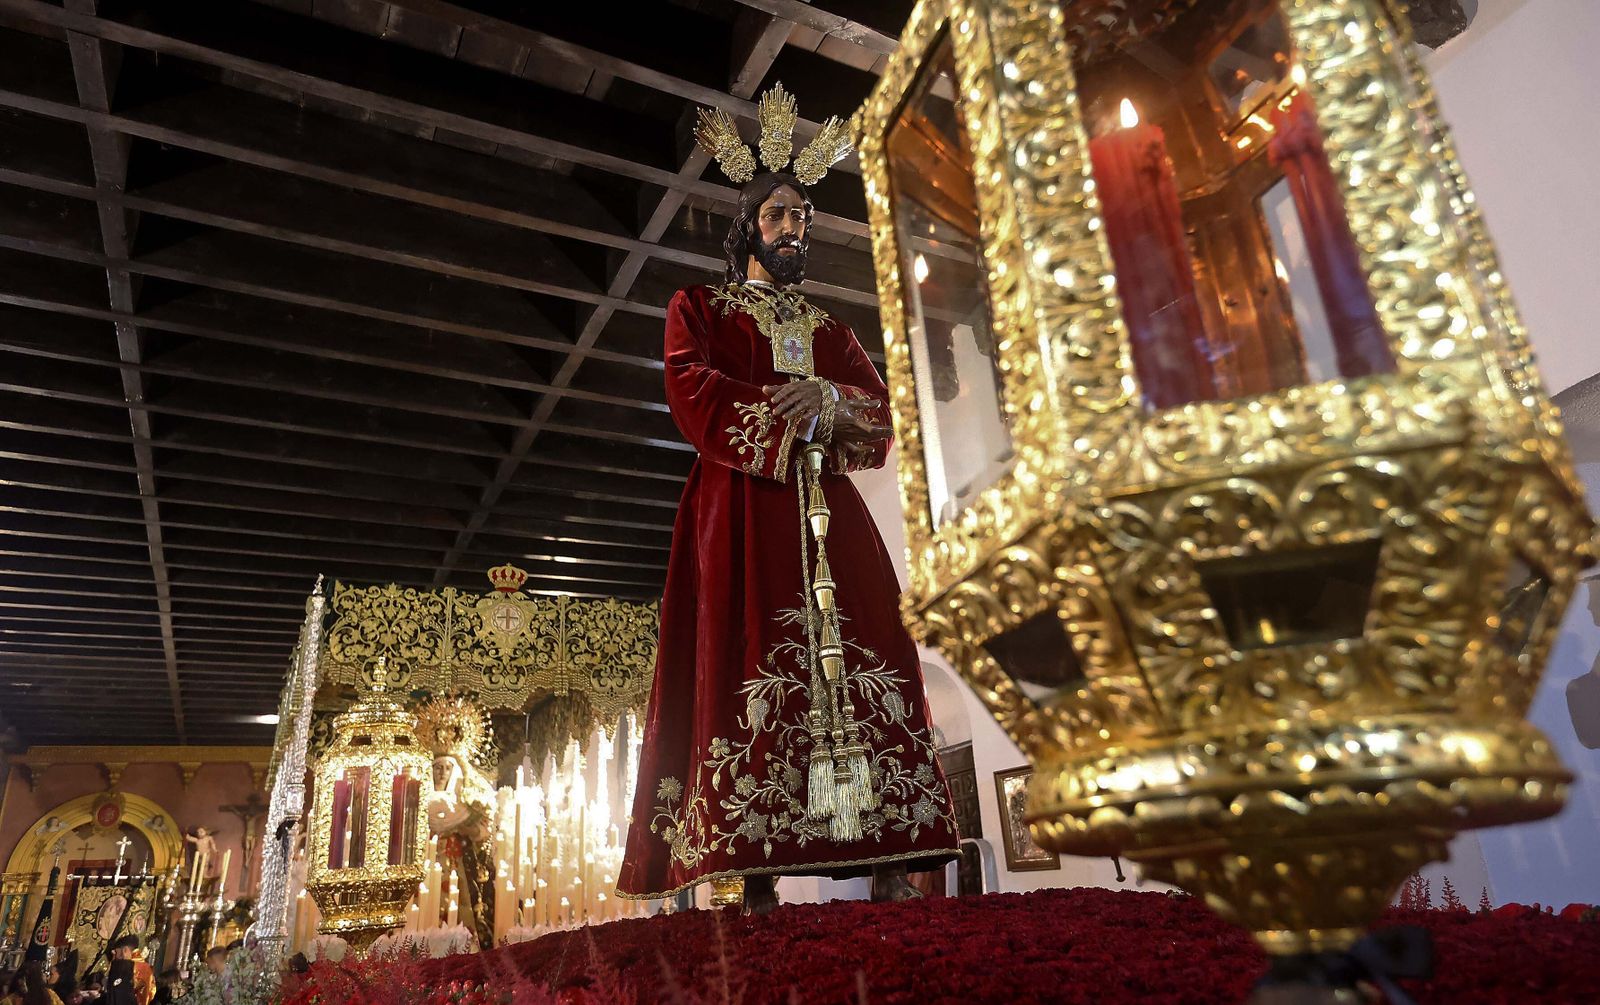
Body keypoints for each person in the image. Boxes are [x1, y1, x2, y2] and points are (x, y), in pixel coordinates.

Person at [617, 86, 959, 915]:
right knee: (745, 652)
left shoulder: (834, 330)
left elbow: (880, 419)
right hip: (740, 507)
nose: (795, 229)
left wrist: (832, 403)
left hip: (832, 516)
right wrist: (783, 414)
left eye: (803, 218)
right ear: (747, 230)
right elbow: (693, 389)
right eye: (778, 216)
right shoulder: (699, 307)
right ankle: (755, 865)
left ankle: (888, 847)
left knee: (872, 640)